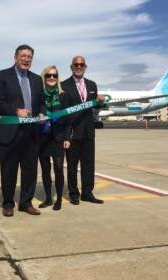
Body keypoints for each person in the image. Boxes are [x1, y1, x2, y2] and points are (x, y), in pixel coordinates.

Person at [0, 44, 45, 217]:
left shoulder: (36, 79)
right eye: (23, 56)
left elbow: (41, 101)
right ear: (15, 57)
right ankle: (8, 203)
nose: (26, 59)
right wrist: (16, 110)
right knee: (9, 170)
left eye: (29, 57)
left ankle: (26, 203)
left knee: (30, 170)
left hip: (31, 132)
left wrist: (42, 112)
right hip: (9, 132)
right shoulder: (2, 76)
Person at [61, 55, 105, 205]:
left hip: (88, 132)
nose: (79, 67)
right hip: (73, 132)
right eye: (76, 65)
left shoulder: (92, 85)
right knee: (72, 165)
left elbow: (94, 108)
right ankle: (73, 193)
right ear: (71, 67)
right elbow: (63, 114)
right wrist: (66, 135)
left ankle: (87, 192)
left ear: (85, 67)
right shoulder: (64, 85)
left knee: (88, 165)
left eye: (81, 65)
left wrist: (100, 102)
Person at [38, 66, 70, 210]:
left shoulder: (63, 95)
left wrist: (67, 138)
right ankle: (48, 198)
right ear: (44, 77)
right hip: (43, 136)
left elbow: (68, 119)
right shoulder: (39, 95)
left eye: (54, 75)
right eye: (48, 75)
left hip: (58, 136)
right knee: (45, 169)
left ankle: (58, 200)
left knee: (58, 169)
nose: (52, 78)